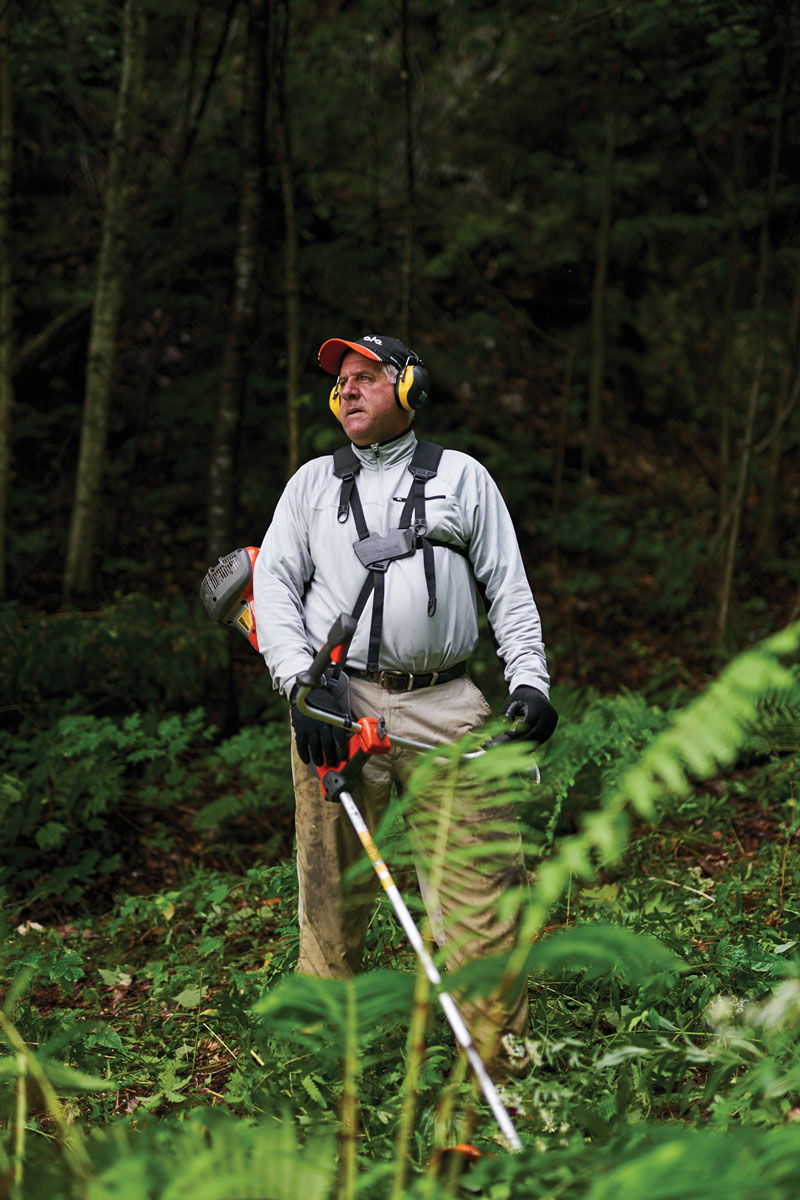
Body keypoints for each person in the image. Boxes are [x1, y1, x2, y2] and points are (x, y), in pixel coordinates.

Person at [252, 333, 557, 1074]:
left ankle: (494, 1057)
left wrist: (530, 682)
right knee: (328, 889)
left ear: (410, 386)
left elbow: (508, 589)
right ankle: (320, 1057)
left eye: (365, 377)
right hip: (339, 704)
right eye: (339, 382)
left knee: (481, 892)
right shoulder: (310, 486)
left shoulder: (464, 478)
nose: (347, 391)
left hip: (446, 705)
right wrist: (299, 685)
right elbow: (274, 590)